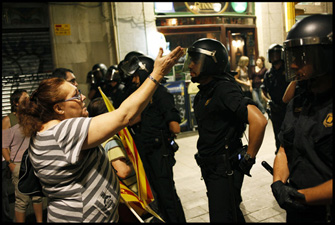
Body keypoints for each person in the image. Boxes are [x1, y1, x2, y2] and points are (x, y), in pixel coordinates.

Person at [16, 46, 184, 223]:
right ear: (58, 108)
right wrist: (157, 73)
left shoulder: (46, 131)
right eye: (75, 95)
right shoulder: (63, 132)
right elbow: (124, 115)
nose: (82, 98)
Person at [183, 38, 267, 222]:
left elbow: (259, 121)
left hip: (224, 168)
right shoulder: (205, 91)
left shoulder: (224, 89)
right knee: (231, 213)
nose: (190, 65)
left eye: (195, 61)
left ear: (211, 62)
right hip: (212, 168)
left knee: (223, 216)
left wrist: (249, 157)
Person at [271, 14, 333, 223]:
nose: (295, 65)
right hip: (298, 210)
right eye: (293, 57)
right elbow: (283, 148)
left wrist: (303, 197)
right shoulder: (300, 100)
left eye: (303, 57)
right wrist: (279, 183)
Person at [121, 54, 186, 223]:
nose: (134, 80)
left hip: (160, 152)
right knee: (157, 195)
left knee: (167, 195)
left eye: (136, 75)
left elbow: (175, 127)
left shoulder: (161, 94)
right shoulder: (140, 96)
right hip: (146, 152)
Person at [2, 89, 44, 223]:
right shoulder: (9, 120)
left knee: (37, 196)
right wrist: (11, 164)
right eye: (25, 99)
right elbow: (4, 146)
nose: (28, 101)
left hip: (34, 161)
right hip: (19, 164)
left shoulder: (31, 116)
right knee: (22, 200)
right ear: (16, 103)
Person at [261, 44, 290, 154]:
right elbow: (263, 90)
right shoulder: (268, 74)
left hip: (288, 108)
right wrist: (268, 101)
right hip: (275, 108)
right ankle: (279, 152)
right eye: (272, 55)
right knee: (277, 133)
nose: (274, 57)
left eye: (276, 54)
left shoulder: (288, 70)